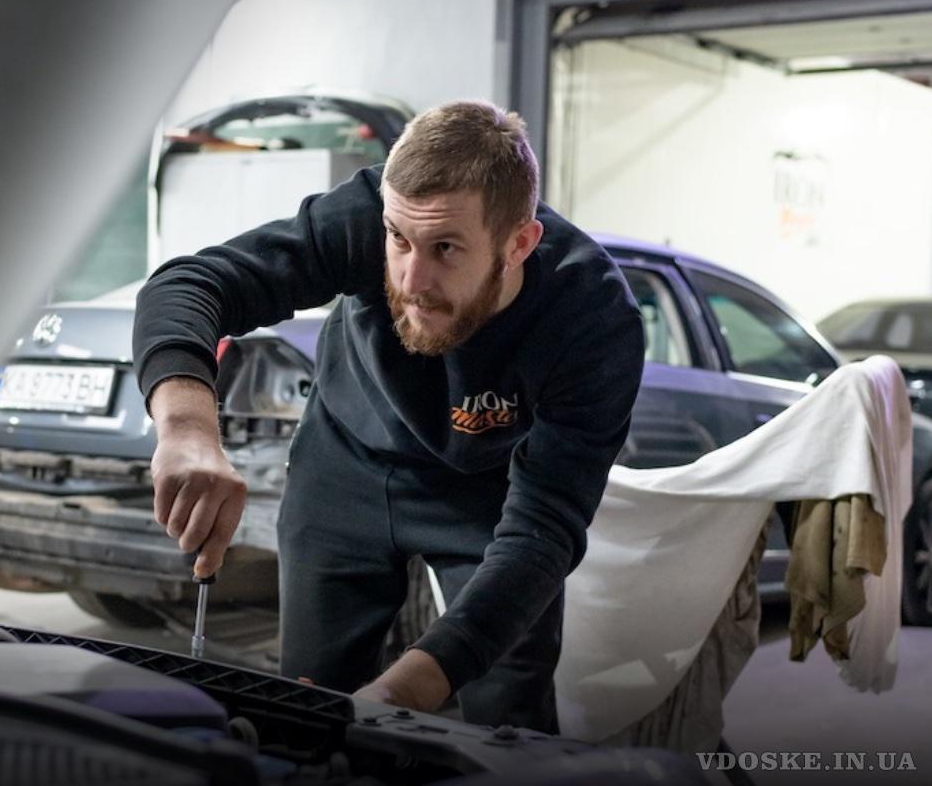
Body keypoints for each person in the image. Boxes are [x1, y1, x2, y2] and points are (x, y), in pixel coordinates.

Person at [132, 100, 645, 732]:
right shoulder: (366, 215)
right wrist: (187, 430)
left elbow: (546, 527)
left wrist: (412, 685)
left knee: (507, 720)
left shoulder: (592, 319)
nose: (410, 278)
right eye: (398, 239)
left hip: (490, 494)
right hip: (343, 465)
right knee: (309, 708)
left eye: (445, 248)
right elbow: (189, 285)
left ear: (519, 244)